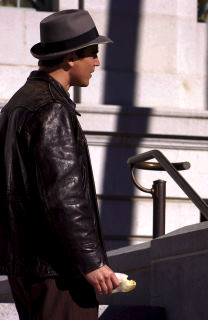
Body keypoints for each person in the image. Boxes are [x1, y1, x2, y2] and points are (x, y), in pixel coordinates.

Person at [0, 9, 120, 319]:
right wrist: (90, 262)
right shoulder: (52, 109)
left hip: (28, 267)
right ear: (70, 58)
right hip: (59, 272)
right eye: (92, 53)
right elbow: (64, 198)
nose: (97, 62)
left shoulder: (18, 103)